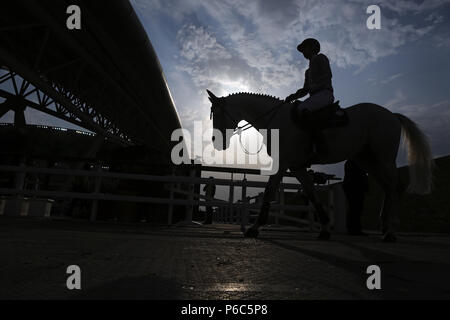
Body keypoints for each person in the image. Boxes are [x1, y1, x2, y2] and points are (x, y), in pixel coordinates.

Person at [285, 38, 335, 160]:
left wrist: (315, 86)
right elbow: (305, 90)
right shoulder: (307, 72)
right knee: (296, 107)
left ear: (312, 47)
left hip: (325, 94)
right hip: (315, 97)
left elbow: (327, 75)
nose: (303, 52)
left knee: (302, 108)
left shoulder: (321, 58)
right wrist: (292, 96)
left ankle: (319, 147)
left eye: (304, 48)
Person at [342, 160, 369, 235]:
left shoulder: (350, 162)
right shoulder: (355, 162)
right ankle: (354, 229)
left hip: (354, 187)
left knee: (355, 209)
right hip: (355, 187)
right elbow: (361, 175)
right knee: (355, 209)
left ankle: (353, 229)